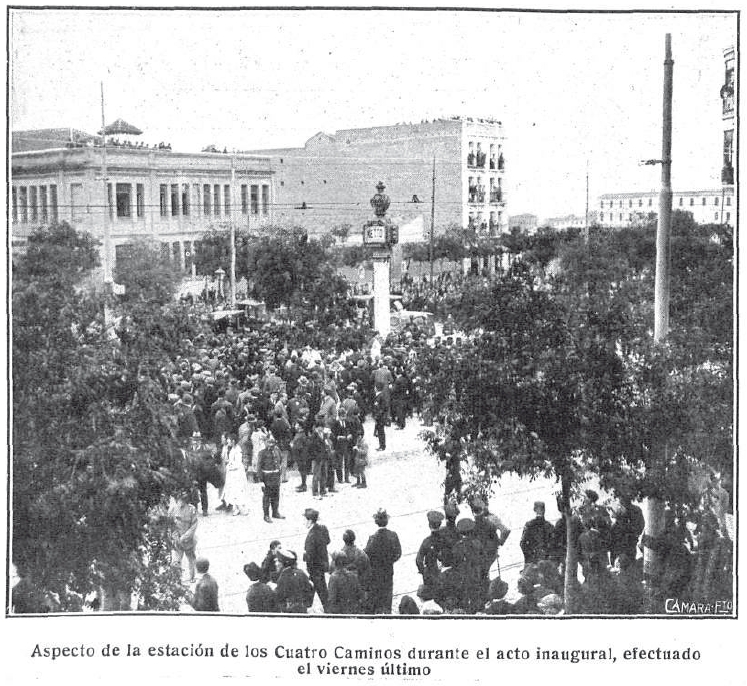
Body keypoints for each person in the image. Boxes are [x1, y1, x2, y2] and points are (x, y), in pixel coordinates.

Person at [364, 509, 402, 614]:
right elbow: (398, 553)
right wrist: (390, 561)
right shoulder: (393, 535)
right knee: (388, 594)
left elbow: (366, 555)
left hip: (375, 572)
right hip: (388, 570)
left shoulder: (373, 538)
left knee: (376, 596)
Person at [415, 510, 447, 600]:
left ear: (429, 525)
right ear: (440, 525)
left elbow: (418, 560)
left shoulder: (426, 542)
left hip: (430, 574)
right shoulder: (444, 540)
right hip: (443, 574)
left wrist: (424, 571)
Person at [303, 508, 331, 611]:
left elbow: (310, 555)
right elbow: (328, 541)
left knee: (320, 590)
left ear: (310, 521)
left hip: (315, 568)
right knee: (316, 588)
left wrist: (305, 556)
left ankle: (328, 610)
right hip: (322, 564)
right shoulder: (322, 528)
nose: (304, 522)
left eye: (305, 520)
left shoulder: (311, 536)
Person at [169, 489, 198, 583]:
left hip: (189, 540)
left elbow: (193, 526)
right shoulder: (173, 509)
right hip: (177, 541)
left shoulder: (191, 509)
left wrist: (184, 537)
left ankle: (192, 577)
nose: (180, 502)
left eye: (182, 500)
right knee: (177, 560)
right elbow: (171, 525)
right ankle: (177, 579)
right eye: (178, 500)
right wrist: (176, 537)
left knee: (191, 559)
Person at [275, 549, 315, 614]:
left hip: (288, 612)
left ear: (284, 563)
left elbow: (279, 597)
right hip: (302, 610)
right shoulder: (301, 573)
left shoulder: (284, 576)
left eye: (279, 561)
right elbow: (310, 590)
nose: (276, 564)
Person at [257, 436, 285, 523]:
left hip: (275, 476)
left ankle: (275, 512)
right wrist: (261, 481)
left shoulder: (277, 451)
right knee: (267, 497)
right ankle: (266, 515)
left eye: (273, 442)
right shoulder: (262, 453)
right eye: (269, 442)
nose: (271, 444)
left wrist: (279, 473)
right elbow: (259, 467)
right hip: (267, 477)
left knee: (276, 495)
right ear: (265, 443)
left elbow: (280, 461)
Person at [222, 433, 251, 516]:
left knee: (238, 490)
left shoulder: (238, 450)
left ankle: (242, 509)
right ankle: (236, 508)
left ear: (233, 441)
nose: (227, 441)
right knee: (233, 490)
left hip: (237, 473)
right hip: (232, 473)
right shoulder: (232, 449)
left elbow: (238, 463)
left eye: (229, 440)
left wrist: (229, 466)